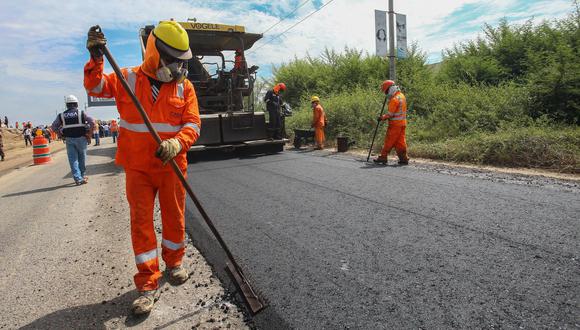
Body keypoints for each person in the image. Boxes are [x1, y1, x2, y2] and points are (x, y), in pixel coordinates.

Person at [85, 21, 201, 315]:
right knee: (141, 222)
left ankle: (174, 262)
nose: (177, 67)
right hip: (137, 167)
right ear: (154, 52)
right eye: (171, 60)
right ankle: (147, 283)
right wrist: (97, 58)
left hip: (172, 164)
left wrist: (177, 143)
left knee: (174, 216)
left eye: (180, 61)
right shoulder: (128, 78)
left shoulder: (184, 86)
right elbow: (95, 86)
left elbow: (193, 124)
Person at [52, 95, 95, 185]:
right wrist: (89, 134)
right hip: (81, 139)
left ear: (67, 105)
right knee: (82, 158)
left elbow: (54, 127)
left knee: (73, 160)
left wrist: (61, 135)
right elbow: (92, 122)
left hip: (69, 139)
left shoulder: (61, 115)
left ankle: (78, 178)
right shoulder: (81, 113)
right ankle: (82, 175)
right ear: (76, 104)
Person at [374, 80, 409, 165]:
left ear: (389, 89)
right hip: (402, 124)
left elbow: (390, 115)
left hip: (395, 125)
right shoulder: (402, 96)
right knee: (400, 142)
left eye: (386, 91)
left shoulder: (394, 99)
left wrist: (381, 118)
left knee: (389, 141)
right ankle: (404, 158)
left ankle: (383, 157)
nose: (386, 93)